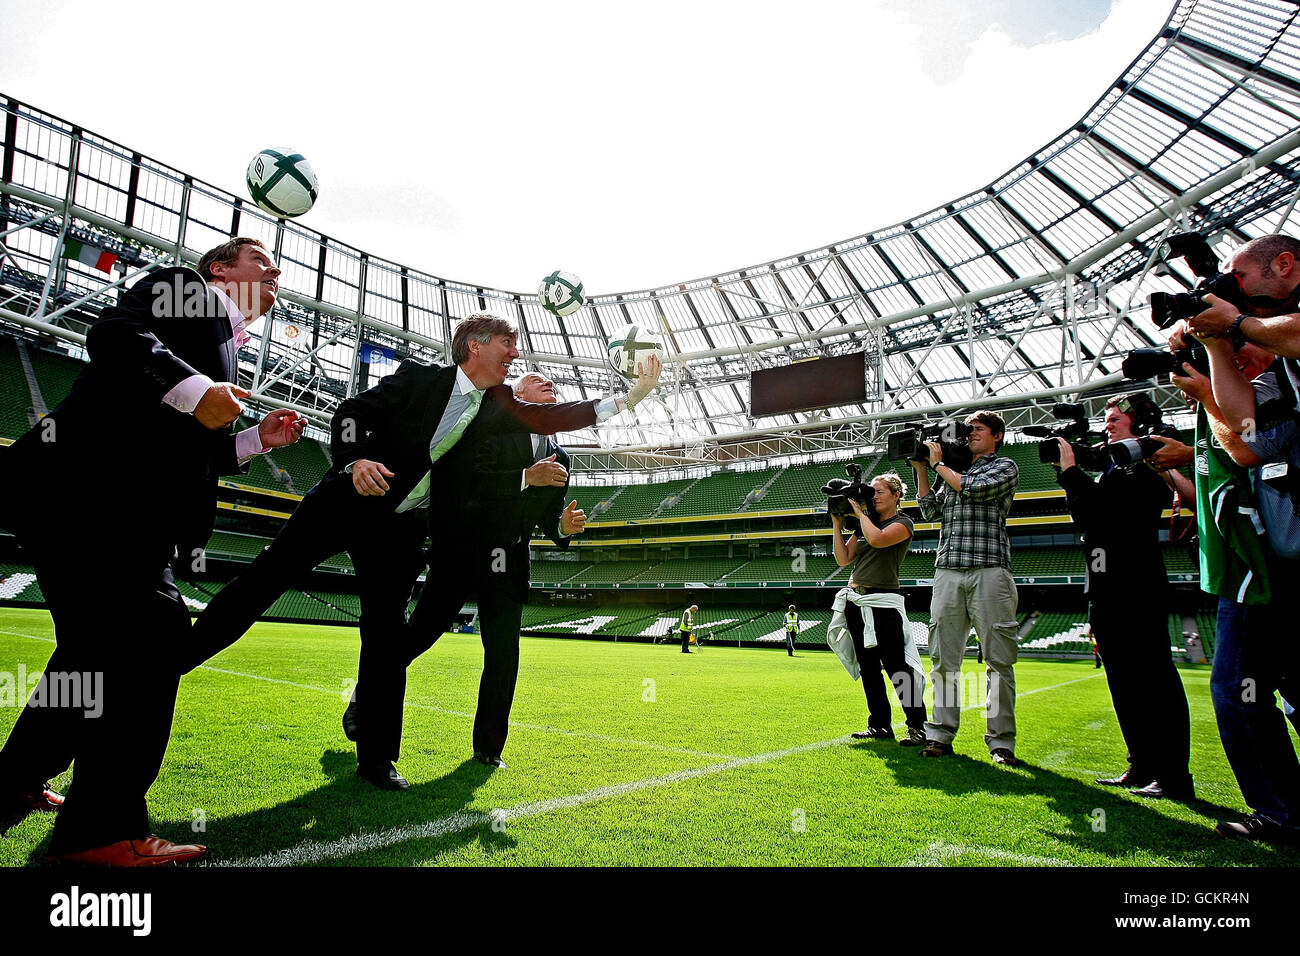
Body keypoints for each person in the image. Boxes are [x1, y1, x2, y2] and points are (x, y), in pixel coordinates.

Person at [180, 315, 659, 790]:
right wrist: (354, 460)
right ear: (475, 344)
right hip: (347, 499)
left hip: (400, 528)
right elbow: (350, 413)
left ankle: (378, 760)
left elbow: (556, 418)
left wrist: (632, 397)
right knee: (263, 582)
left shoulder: (500, 405)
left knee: (387, 638)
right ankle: (174, 661)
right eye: (508, 344)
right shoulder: (420, 378)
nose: (515, 354)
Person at [0, 238, 305, 865]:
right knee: (152, 636)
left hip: (93, 501)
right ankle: (101, 832)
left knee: (92, 655)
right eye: (262, 263)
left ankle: (10, 783)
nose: (276, 274)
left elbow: (186, 443)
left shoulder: (224, 342)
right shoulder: (185, 290)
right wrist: (198, 390)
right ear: (220, 269)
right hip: (93, 492)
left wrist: (254, 439)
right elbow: (113, 335)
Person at [347, 372, 586, 769]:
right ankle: (366, 695)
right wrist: (527, 477)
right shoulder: (489, 428)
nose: (549, 385)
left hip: (508, 564)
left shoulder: (561, 458)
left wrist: (563, 526)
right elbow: (469, 484)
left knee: (503, 657)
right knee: (416, 638)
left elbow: (545, 518)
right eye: (536, 379)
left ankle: (489, 749)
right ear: (517, 394)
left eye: (553, 386)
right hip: (461, 552)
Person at [1170, 326, 1300, 844]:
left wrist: (1208, 395)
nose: (1230, 360)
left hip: (1259, 569)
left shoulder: (1273, 387)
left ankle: (1282, 811)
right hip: (1262, 563)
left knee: (1239, 691)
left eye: (1233, 345)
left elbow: (1250, 449)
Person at [1053, 394, 1195, 800]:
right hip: (1104, 585)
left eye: (1115, 418)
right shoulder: (1112, 468)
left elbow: (1109, 513)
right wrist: (1070, 478)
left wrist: (1070, 473)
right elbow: (1086, 517)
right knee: (1122, 680)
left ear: (1140, 424)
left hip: (1136, 583)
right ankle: (1141, 763)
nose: (1108, 424)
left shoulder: (1150, 465)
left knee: (1153, 678)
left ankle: (1173, 776)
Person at [909, 411, 1021, 765]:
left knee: (999, 661)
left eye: (978, 429)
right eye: (968, 430)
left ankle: (1001, 741)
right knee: (943, 659)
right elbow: (928, 511)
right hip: (948, 570)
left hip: (990, 569)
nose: (970, 434)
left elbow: (973, 488)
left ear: (997, 435)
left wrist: (939, 463)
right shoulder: (952, 472)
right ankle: (940, 733)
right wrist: (922, 469)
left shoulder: (1003, 467)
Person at [829, 474, 927, 745]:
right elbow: (843, 558)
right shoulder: (865, 525)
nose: (875, 496)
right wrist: (838, 524)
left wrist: (860, 514)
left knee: (898, 668)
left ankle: (917, 725)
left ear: (896, 495)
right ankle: (880, 725)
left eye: (881, 491)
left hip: (883, 601)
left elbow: (879, 540)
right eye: (872, 492)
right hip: (856, 602)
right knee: (868, 668)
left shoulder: (902, 523)